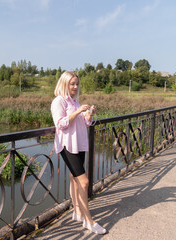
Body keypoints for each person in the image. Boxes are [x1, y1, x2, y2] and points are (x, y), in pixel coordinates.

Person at [51, 71, 107, 235]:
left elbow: (85, 123)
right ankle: (88, 221)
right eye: (72, 84)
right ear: (64, 83)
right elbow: (60, 124)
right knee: (84, 182)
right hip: (68, 146)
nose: (75, 87)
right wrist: (77, 112)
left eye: (76, 84)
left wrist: (88, 114)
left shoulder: (74, 101)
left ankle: (77, 212)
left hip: (79, 144)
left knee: (75, 180)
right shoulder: (58, 102)